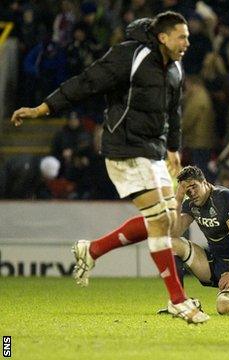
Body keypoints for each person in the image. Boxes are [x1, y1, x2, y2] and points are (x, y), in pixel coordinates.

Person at [10, 12, 208, 323]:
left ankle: (92, 250)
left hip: (154, 151)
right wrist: (43, 108)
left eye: (187, 36)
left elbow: (174, 112)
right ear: (163, 37)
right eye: (181, 36)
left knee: (170, 220)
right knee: (160, 221)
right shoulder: (129, 56)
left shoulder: (176, 68)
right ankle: (178, 300)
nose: (187, 42)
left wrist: (173, 148)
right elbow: (86, 82)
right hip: (124, 148)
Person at [163, 165, 229, 315]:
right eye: (187, 190)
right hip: (211, 263)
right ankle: (179, 302)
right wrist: (178, 199)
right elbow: (173, 234)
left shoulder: (225, 197)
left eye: (194, 186)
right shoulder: (190, 204)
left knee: (226, 307)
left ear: (204, 182)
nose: (191, 192)